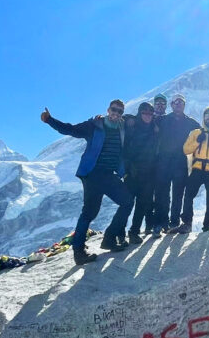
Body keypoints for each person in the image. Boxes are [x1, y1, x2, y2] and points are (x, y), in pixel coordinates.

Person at [40, 100, 133, 265]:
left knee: (127, 201)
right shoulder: (94, 125)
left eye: (119, 111)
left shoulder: (122, 127)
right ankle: (79, 251)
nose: (116, 114)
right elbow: (71, 129)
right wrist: (50, 120)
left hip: (109, 175)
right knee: (90, 212)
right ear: (108, 109)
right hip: (93, 175)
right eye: (113, 110)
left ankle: (109, 239)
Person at [169, 106, 209, 234]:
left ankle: (207, 228)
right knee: (189, 195)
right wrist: (197, 141)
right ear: (204, 118)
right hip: (197, 170)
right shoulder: (196, 133)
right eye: (207, 115)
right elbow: (186, 150)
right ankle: (187, 223)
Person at [152, 93, 199, 234]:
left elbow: (203, 131)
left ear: (184, 105)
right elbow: (146, 123)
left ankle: (174, 223)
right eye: (175, 102)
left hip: (180, 163)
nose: (178, 104)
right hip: (164, 162)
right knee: (163, 194)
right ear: (171, 105)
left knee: (178, 194)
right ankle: (161, 222)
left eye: (181, 102)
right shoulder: (162, 119)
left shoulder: (190, 122)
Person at [123, 101, 159, 244]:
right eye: (144, 112)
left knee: (142, 204)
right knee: (127, 203)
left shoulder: (153, 128)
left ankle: (134, 231)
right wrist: (127, 169)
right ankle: (119, 233)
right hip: (132, 172)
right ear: (139, 113)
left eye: (150, 113)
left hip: (148, 172)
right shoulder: (131, 126)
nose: (148, 116)